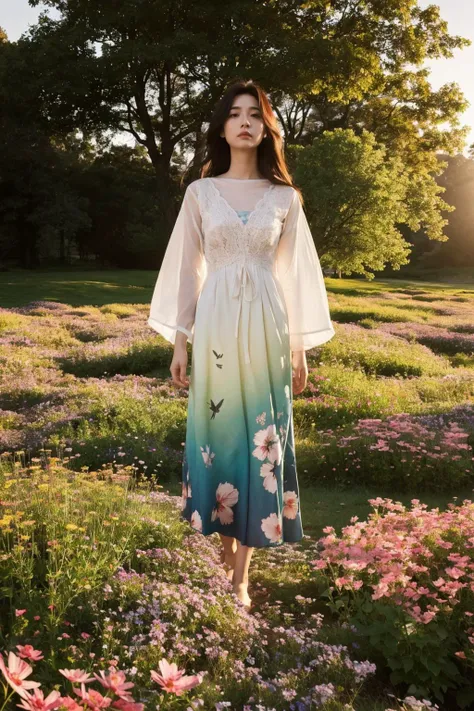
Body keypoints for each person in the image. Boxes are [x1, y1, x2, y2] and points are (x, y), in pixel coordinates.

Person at [148, 79, 335, 611]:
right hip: (214, 329)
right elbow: (187, 269)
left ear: (266, 126)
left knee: (263, 442)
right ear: (222, 127)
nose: (246, 121)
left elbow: (296, 277)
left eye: (255, 113)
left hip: (268, 330)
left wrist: (298, 348)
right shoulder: (200, 194)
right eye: (235, 113)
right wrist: (179, 341)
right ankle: (225, 552)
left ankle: (240, 577)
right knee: (222, 434)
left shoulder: (285, 198)